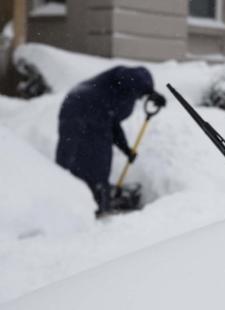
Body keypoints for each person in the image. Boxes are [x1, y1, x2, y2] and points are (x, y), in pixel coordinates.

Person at [55, 66, 166, 216]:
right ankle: (85, 203)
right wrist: (149, 90)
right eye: (141, 93)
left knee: (88, 160)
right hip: (82, 109)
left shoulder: (118, 96)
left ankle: (87, 201)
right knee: (85, 160)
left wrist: (125, 149)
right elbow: (128, 76)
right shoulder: (121, 79)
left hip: (87, 113)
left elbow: (113, 125)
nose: (140, 98)